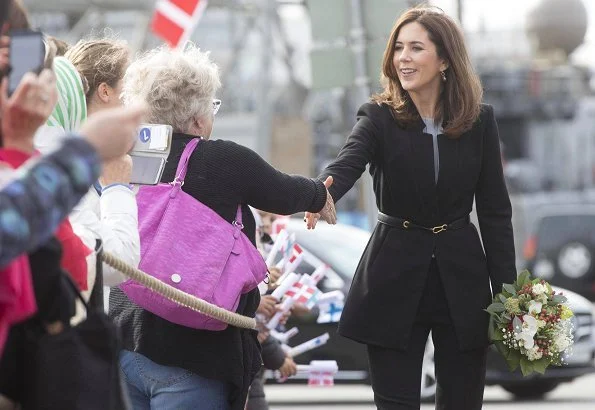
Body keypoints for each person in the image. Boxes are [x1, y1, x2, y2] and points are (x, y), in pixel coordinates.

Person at [306, 5, 516, 410]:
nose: (403, 57)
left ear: (444, 60)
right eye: (398, 48)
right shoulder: (377, 117)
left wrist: (510, 297)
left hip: (463, 282)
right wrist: (319, 194)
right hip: (393, 278)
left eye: (416, 48)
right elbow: (346, 163)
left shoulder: (479, 121)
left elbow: (495, 213)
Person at [108, 43, 335, 410]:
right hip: (195, 357)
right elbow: (282, 192)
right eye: (211, 107)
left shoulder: (126, 159)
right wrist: (319, 194)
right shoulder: (221, 159)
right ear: (198, 118)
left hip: (125, 344)